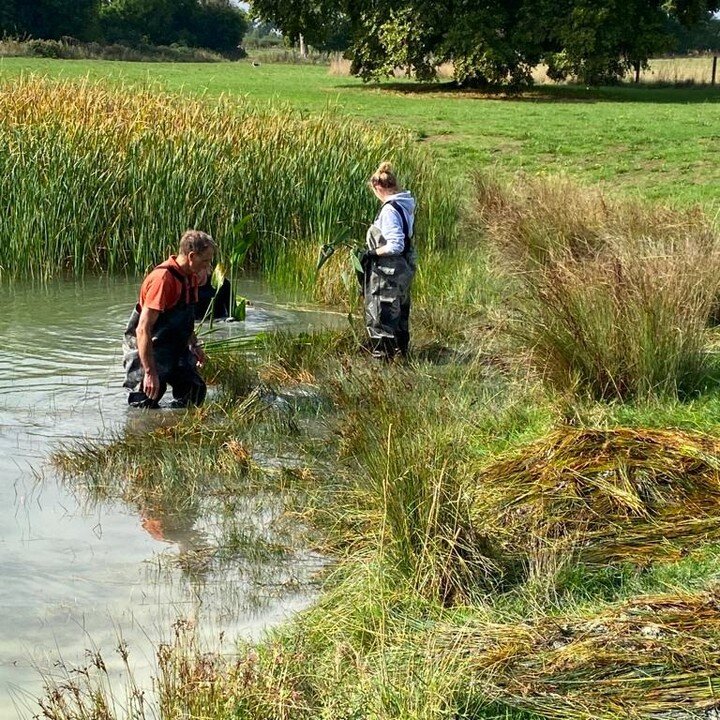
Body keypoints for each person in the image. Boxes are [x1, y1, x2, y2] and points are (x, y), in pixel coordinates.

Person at [123, 230, 215, 408]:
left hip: (175, 347)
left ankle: (179, 430)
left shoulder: (191, 278)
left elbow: (184, 319)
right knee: (144, 402)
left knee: (194, 392)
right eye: (205, 260)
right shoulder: (163, 279)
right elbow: (142, 329)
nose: (207, 265)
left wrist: (194, 345)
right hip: (147, 348)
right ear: (191, 256)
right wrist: (149, 372)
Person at [361, 162, 416, 359]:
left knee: (382, 315)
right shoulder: (404, 204)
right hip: (403, 270)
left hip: (388, 273)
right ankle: (402, 358)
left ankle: (383, 365)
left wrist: (373, 253)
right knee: (399, 314)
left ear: (377, 187)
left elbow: (396, 245)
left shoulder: (389, 210)